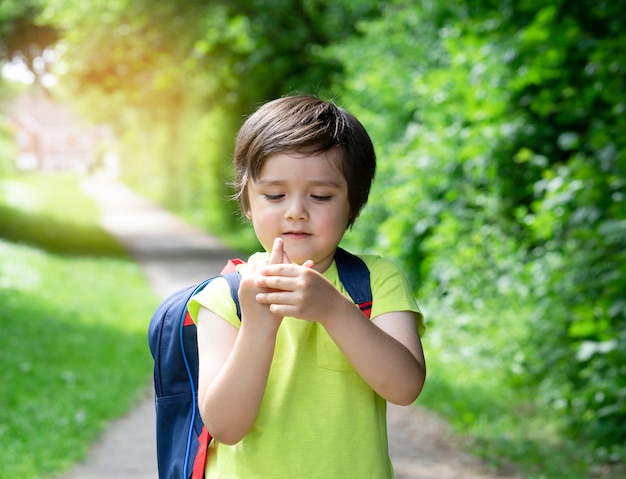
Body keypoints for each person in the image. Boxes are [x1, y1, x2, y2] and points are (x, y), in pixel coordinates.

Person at [187, 94, 426, 478]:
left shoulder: (375, 281)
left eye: (320, 196)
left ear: (354, 203)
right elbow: (226, 428)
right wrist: (258, 327)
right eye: (275, 195)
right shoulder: (226, 296)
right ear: (247, 201)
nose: (296, 210)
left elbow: (406, 387)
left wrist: (334, 310)